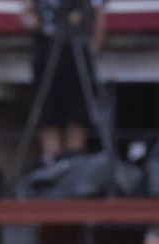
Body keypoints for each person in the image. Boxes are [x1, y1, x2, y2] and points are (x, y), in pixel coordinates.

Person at [19, 0, 107, 161]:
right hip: (47, 46)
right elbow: (26, 13)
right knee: (47, 113)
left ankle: (74, 166)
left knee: (77, 114)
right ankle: (52, 166)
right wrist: (31, 22)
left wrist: (94, 48)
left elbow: (99, 13)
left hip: (76, 46)